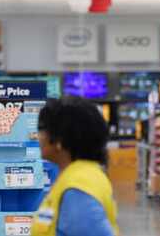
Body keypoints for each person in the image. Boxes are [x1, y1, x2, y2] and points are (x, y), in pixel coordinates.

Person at [31, 97, 118, 236]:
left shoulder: (78, 188)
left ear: (60, 139)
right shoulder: (76, 175)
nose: (38, 136)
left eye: (42, 129)